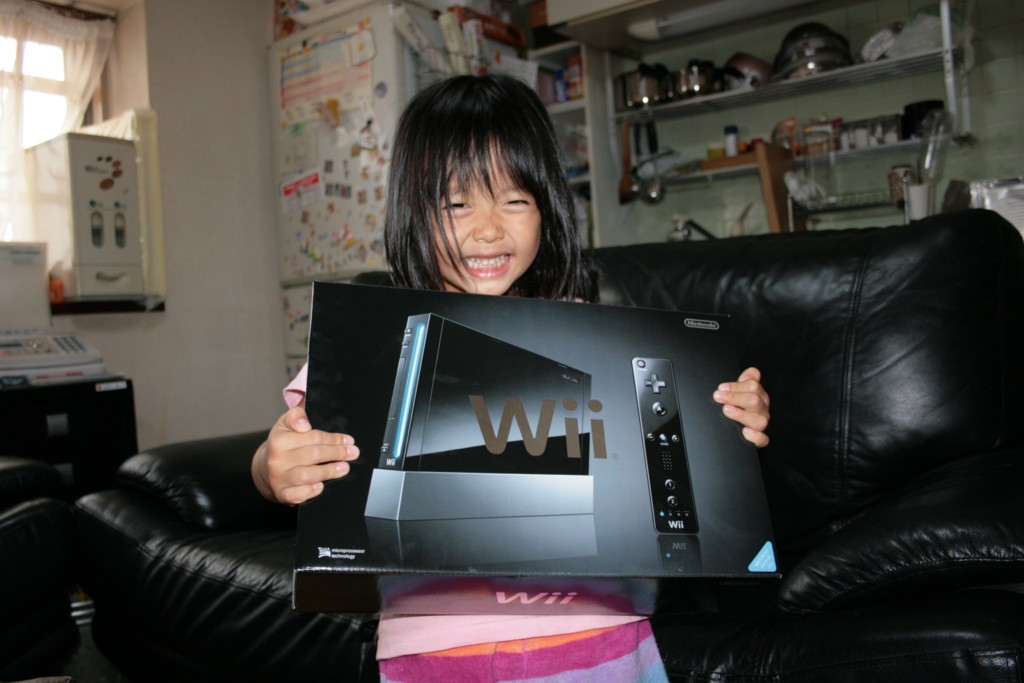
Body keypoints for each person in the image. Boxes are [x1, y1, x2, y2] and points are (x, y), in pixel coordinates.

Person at [252, 73, 770, 682]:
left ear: (547, 208)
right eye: (457, 204)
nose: (489, 228)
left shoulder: (592, 333)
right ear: (414, 212)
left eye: (515, 200)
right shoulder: (376, 339)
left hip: (601, 641)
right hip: (436, 655)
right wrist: (273, 469)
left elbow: (670, 460)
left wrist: (732, 419)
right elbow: (285, 445)